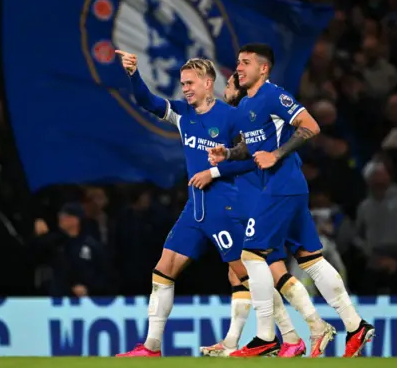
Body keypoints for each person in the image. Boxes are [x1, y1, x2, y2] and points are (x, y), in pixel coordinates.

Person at [114, 51, 308, 358]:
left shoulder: (232, 117)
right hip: (195, 209)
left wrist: (214, 171)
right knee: (163, 270)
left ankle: (290, 336)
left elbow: (252, 163)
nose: (185, 88)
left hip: (225, 209)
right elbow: (147, 102)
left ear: (208, 83)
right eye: (182, 83)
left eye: (190, 83)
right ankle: (151, 347)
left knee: (246, 275)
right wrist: (133, 74)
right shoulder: (182, 114)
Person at [208, 44, 374, 357]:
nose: (238, 69)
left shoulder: (274, 95)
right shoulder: (246, 105)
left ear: (263, 68)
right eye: (238, 63)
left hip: (283, 184)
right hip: (282, 186)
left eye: (245, 63)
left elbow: (311, 125)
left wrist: (277, 153)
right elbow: (249, 147)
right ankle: (356, 325)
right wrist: (228, 153)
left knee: (251, 254)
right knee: (311, 258)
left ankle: (266, 336)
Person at [199, 73, 336, 357]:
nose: (226, 89)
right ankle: (241, 341)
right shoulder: (243, 116)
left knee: (271, 268)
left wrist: (215, 170)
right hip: (245, 201)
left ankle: (305, 328)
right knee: (239, 273)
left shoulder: (249, 116)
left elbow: (252, 162)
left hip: (260, 200)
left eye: (229, 84)